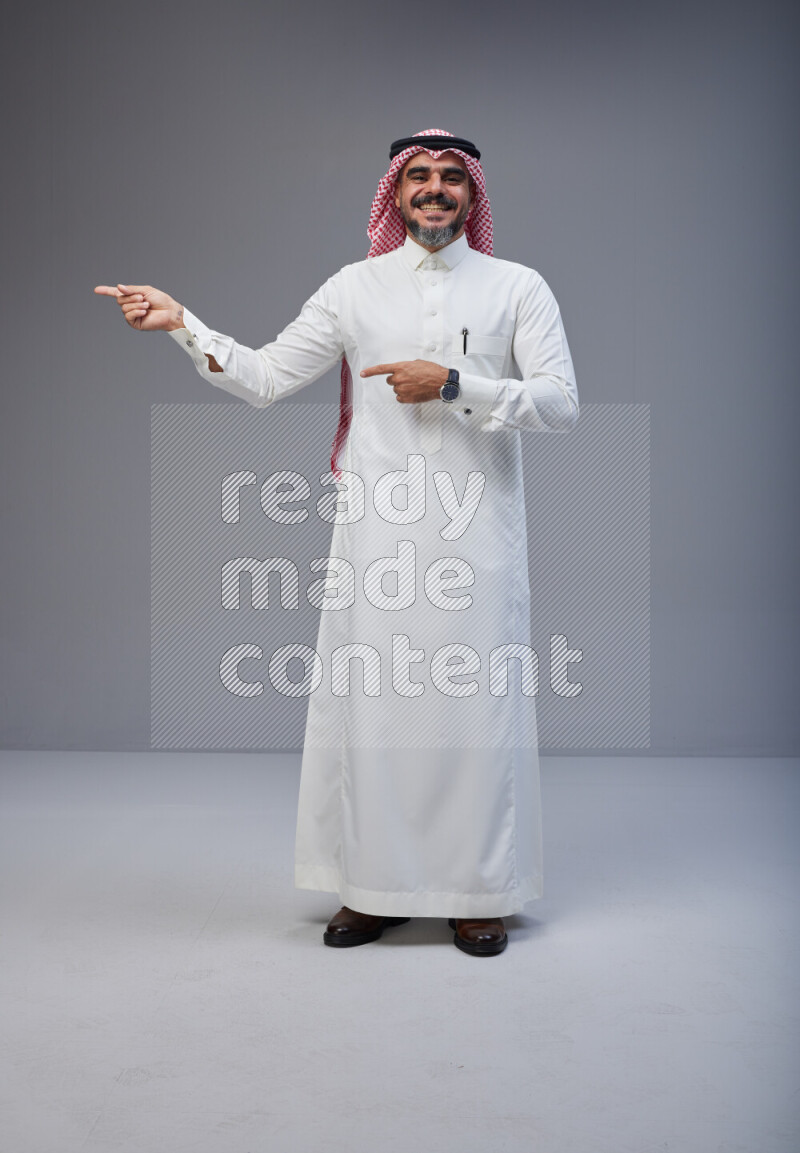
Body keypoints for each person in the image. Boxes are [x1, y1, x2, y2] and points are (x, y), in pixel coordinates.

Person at [95, 129, 579, 957]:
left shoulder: (517, 288)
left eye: (450, 178)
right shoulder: (355, 289)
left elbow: (561, 403)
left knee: (473, 709)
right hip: (376, 535)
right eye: (417, 177)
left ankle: (475, 894)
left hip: (478, 538)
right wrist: (183, 324)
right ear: (393, 194)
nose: (433, 189)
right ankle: (371, 888)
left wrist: (455, 382)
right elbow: (266, 376)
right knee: (376, 710)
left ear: (473, 195)